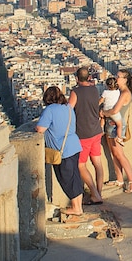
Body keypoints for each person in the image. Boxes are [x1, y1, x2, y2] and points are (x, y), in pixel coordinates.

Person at [36, 86, 84, 220]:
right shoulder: (68, 108)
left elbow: (40, 129)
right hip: (74, 146)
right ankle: (78, 206)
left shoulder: (50, 110)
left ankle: (76, 207)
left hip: (62, 151)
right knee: (75, 178)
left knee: (66, 179)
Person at [66, 66, 105, 205]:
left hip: (83, 133)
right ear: (89, 77)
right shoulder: (94, 89)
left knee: (80, 165)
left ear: (76, 79)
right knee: (98, 163)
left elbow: (69, 109)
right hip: (96, 130)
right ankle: (99, 192)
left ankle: (95, 194)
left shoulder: (75, 92)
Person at [103, 68, 132, 193]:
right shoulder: (119, 91)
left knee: (119, 154)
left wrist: (103, 113)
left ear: (125, 80)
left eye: (118, 77)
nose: (116, 78)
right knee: (114, 153)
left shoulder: (125, 94)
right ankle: (119, 179)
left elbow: (114, 110)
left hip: (116, 125)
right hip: (111, 124)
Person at [100, 76, 124, 144]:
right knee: (119, 124)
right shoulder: (118, 92)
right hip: (113, 111)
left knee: (102, 117)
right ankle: (119, 137)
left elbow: (101, 101)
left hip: (105, 109)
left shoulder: (105, 92)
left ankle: (101, 129)